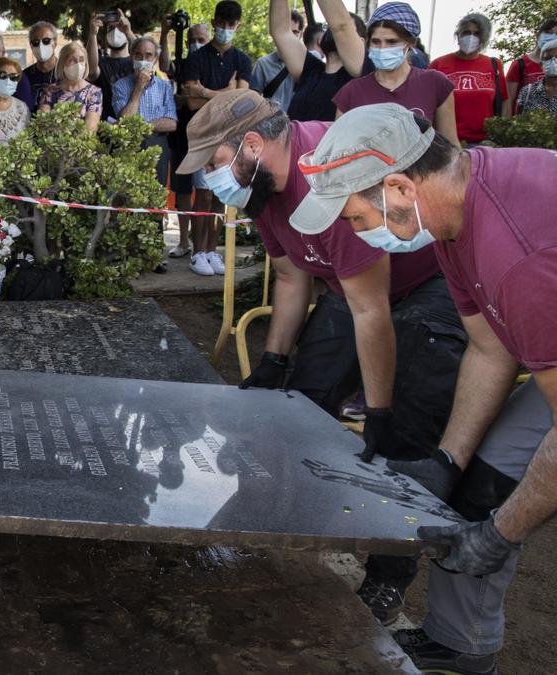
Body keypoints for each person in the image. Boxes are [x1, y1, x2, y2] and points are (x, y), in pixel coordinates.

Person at [179, 90, 465, 627]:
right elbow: (291, 276)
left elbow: (372, 311)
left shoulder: (328, 174)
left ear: (253, 145)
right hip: (350, 291)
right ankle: (277, 523)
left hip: (427, 287)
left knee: (407, 429)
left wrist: (376, 412)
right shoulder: (260, 191)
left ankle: (386, 580)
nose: (210, 181)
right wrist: (274, 360)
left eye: (214, 164)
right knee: (299, 403)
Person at [289, 101, 557, 675]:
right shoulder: (454, 218)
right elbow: (491, 348)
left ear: (398, 188)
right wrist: (446, 460)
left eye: (354, 216)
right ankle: (462, 646)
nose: (352, 231)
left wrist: (503, 532)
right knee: (479, 488)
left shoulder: (518, 257)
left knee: (501, 516)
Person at [182, 0, 252, 277]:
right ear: (213, 23)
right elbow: (191, 104)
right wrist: (227, 91)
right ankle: (198, 251)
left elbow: (243, 100)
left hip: (230, 138)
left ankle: (212, 250)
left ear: (238, 25)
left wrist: (207, 93)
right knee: (203, 193)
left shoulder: (242, 60)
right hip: (202, 135)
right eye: (221, 24)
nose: (225, 29)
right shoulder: (196, 58)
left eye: (230, 25)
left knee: (222, 194)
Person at [332, 2, 459, 148]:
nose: (382, 48)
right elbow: (338, 149)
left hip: (422, 170)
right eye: (376, 42)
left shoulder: (435, 84)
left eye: (392, 42)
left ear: (410, 43)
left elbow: (450, 146)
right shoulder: (351, 91)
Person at [275, 0, 368, 123]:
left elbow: (341, 26)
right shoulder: (310, 69)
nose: (332, 29)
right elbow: (280, 31)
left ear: (361, 42)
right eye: (329, 26)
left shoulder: (361, 74)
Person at [165, 22, 212, 261]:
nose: (196, 43)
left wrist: (196, 96)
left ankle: (202, 246)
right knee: (182, 191)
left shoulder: (212, 64)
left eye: (201, 39)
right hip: (180, 137)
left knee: (205, 193)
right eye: (192, 39)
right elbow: (166, 65)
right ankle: (184, 241)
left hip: (206, 138)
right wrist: (165, 33)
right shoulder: (182, 65)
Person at [430, 14, 507, 144]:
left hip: (486, 143)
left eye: (477, 34)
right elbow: (429, 103)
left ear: (483, 38)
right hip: (447, 142)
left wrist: (502, 135)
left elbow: (505, 101)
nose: (471, 37)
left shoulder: (494, 65)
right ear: (458, 34)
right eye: (466, 32)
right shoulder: (438, 65)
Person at [112, 37, 175, 175]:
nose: (143, 59)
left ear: (155, 59)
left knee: (157, 191)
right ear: (132, 57)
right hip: (129, 145)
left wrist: (141, 125)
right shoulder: (120, 86)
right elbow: (125, 120)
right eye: (138, 55)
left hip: (157, 144)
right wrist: (139, 87)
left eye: (148, 55)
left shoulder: (165, 87)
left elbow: (171, 123)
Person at [39, 40, 103, 134]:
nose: (78, 64)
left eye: (81, 59)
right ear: (63, 63)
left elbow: (90, 130)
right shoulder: (50, 91)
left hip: (81, 147)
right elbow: (42, 125)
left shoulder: (94, 92)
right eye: (72, 60)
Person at [88, 9, 138, 121]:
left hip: (133, 125)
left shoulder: (135, 62)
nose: (116, 32)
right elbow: (91, 70)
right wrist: (92, 34)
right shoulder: (101, 63)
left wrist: (128, 32)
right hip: (107, 126)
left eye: (119, 28)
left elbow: (143, 54)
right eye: (111, 28)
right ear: (106, 35)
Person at [250, 8, 304, 111]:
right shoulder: (263, 64)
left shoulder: (308, 64)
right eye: (285, 31)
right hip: (270, 123)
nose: (289, 37)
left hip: (299, 124)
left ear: (300, 35)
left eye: (294, 32)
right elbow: (253, 101)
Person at [506, 20, 557, 116]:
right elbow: (508, 101)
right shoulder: (519, 65)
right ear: (538, 36)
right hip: (525, 125)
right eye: (549, 33)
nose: (552, 37)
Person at [24, 21, 60, 109]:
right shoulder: (24, 77)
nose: (41, 45)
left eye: (46, 41)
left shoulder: (66, 72)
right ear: (31, 46)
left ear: (54, 43)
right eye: (36, 42)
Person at [516, 38, 557, 115]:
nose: (553, 61)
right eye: (548, 58)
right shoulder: (527, 92)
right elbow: (519, 123)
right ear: (541, 64)